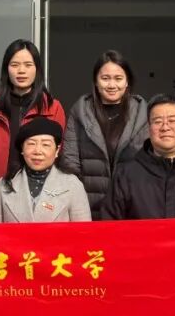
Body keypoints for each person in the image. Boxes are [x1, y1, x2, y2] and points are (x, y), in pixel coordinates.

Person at [61, 50, 148, 219]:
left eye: (118, 78)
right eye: (105, 78)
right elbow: (70, 161)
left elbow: (147, 162)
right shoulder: (80, 111)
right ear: (96, 81)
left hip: (131, 206)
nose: (112, 85)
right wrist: (78, 201)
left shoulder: (142, 113)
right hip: (88, 206)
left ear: (127, 81)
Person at [0, 39, 66, 184]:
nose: (21, 70)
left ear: (37, 69)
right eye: (15, 65)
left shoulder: (52, 108)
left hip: (40, 189)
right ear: (6, 69)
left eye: (28, 65)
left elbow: (59, 154)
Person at [0, 118, 92, 222]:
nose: (38, 151)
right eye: (31, 144)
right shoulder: (3, 185)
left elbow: (84, 231)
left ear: (57, 150)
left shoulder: (73, 185)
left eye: (46, 145)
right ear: (22, 149)